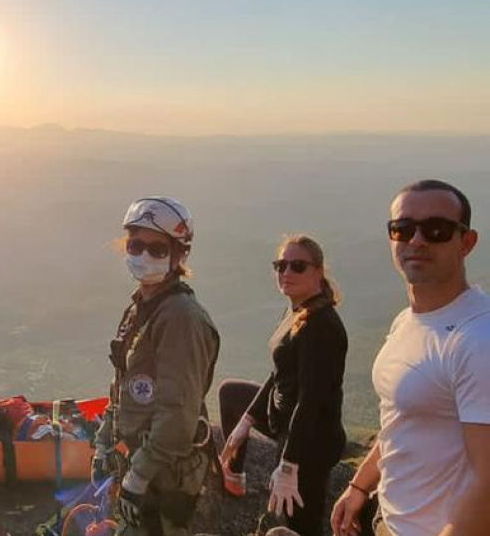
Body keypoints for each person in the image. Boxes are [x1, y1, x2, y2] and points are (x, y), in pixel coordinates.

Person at [331, 180, 490, 536]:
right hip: (389, 520)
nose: (416, 241)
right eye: (402, 229)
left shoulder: (478, 339)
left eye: (437, 229)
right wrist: (361, 485)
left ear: (467, 242)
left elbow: (488, 481)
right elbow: (400, 418)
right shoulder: (407, 321)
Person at [91, 196, 220, 535]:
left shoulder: (180, 318)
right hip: (141, 459)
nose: (143, 255)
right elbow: (123, 383)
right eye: (136, 245)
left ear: (180, 254)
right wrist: (105, 440)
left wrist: (139, 476)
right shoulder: (142, 307)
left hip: (166, 473)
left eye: (157, 249)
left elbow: (177, 410)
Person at [218, 234, 348, 536]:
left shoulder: (321, 325)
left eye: (297, 266)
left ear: (318, 271)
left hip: (310, 437)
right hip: (285, 417)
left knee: (299, 523)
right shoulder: (297, 310)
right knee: (231, 394)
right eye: (281, 265)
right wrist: (246, 422)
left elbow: (311, 400)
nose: (286, 273)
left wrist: (289, 464)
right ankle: (233, 478)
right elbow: (279, 372)